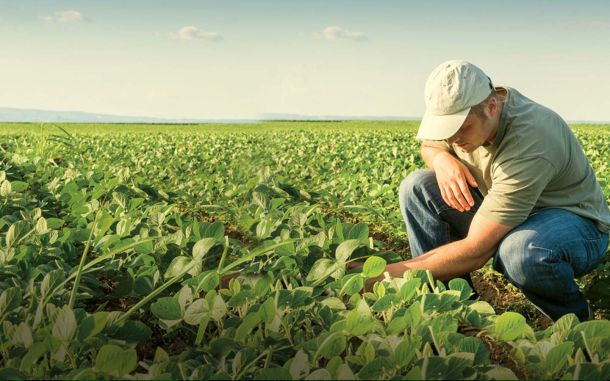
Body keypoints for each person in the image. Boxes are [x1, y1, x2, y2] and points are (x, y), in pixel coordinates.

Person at [373, 60, 610, 322]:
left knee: (520, 251)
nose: (453, 140)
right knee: (417, 187)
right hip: (505, 210)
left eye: (461, 128)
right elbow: (430, 146)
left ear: (492, 106)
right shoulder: (466, 109)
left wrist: (383, 277)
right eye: (446, 130)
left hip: (572, 222)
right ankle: (454, 311)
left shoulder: (530, 140)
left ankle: (578, 322)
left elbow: (476, 250)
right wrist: (442, 160)